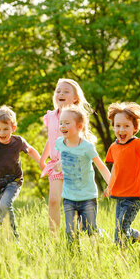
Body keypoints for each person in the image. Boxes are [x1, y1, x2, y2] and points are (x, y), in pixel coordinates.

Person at [0, 106, 41, 238]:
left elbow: (31, 151)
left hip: (13, 181)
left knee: (5, 204)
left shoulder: (18, 141)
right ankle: (6, 240)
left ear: (13, 128)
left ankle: (15, 238)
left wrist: (42, 163)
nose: (2, 133)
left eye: (6, 129)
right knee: (2, 214)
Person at [40, 78, 92, 234]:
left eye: (66, 91)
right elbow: (52, 139)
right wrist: (43, 158)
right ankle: (54, 238)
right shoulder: (50, 116)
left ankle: (84, 230)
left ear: (75, 97)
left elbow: (81, 140)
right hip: (56, 164)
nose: (60, 93)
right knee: (54, 200)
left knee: (77, 203)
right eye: (58, 91)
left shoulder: (77, 116)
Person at [54, 105, 111, 244]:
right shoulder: (60, 143)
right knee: (71, 232)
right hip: (69, 197)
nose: (62, 126)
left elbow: (101, 167)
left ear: (79, 127)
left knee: (90, 230)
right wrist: (58, 166)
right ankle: (74, 257)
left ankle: (100, 235)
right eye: (61, 122)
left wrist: (111, 185)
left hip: (88, 197)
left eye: (67, 123)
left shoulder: (87, 147)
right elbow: (59, 162)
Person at [105, 102, 140, 248]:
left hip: (134, 195)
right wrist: (110, 186)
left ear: (135, 128)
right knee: (121, 227)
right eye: (118, 126)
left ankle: (122, 260)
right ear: (113, 126)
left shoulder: (138, 144)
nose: (121, 129)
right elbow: (116, 168)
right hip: (119, 195)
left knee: (121, 230)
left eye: (126, 126)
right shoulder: (114, 147)